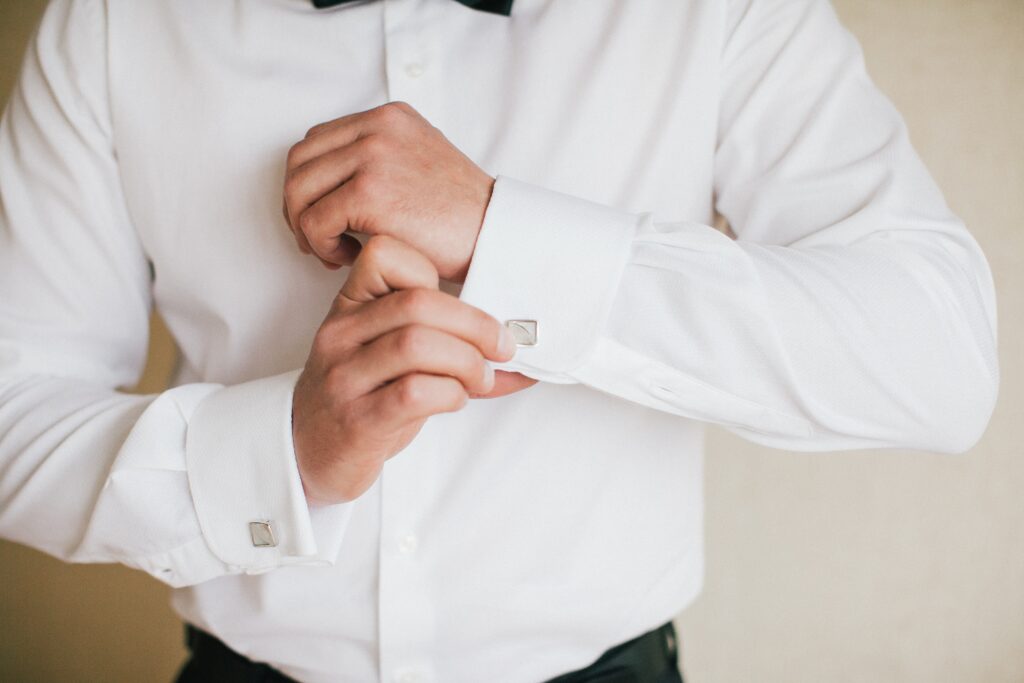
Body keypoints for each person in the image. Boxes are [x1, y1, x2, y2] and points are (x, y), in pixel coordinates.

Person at [0, 0, 999, 681]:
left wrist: (503, 234)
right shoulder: (115, 21)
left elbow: (936, 357)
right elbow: (14, 409)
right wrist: (283, 454)